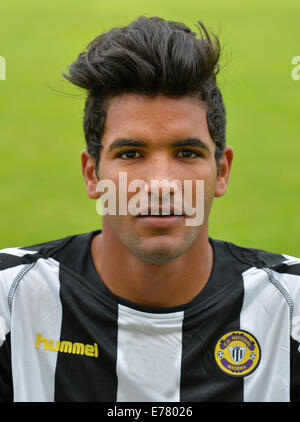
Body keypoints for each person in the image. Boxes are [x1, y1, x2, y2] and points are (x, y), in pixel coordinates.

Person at [0, 15, 299, 403]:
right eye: (131, 153)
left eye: (187, 153)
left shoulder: (288, 310)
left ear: (221, 171)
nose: (160, 183)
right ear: (92, 174)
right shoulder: (12, 301)